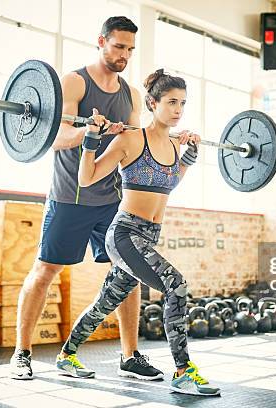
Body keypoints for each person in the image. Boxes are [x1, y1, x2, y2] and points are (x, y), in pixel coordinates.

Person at [10, 16, 163, 382]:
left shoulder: (131, 94)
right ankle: (21, 353)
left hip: (111, 198)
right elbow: (52, 137)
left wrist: (169, 140)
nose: (124, 54)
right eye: (118, 46)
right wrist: (86, 130)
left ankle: (130, 355)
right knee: (46, 270)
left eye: (130, 49)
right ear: (101, 41)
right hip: (69, 195)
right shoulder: (74, 82)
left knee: (127, 273)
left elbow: (132, 143)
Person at [56, 69, 221, 396]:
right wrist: (90, 137)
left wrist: (190, 152)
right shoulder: (129, 139)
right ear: (152, 102)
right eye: (171, 102)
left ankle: (66, 355)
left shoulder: (174, 145)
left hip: (147, 236)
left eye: (183, 104)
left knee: (107, 302)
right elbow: (86, 178)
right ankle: (183, 371)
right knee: (176, 284)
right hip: (124, 234)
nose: (178, 110)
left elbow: (171, 181)